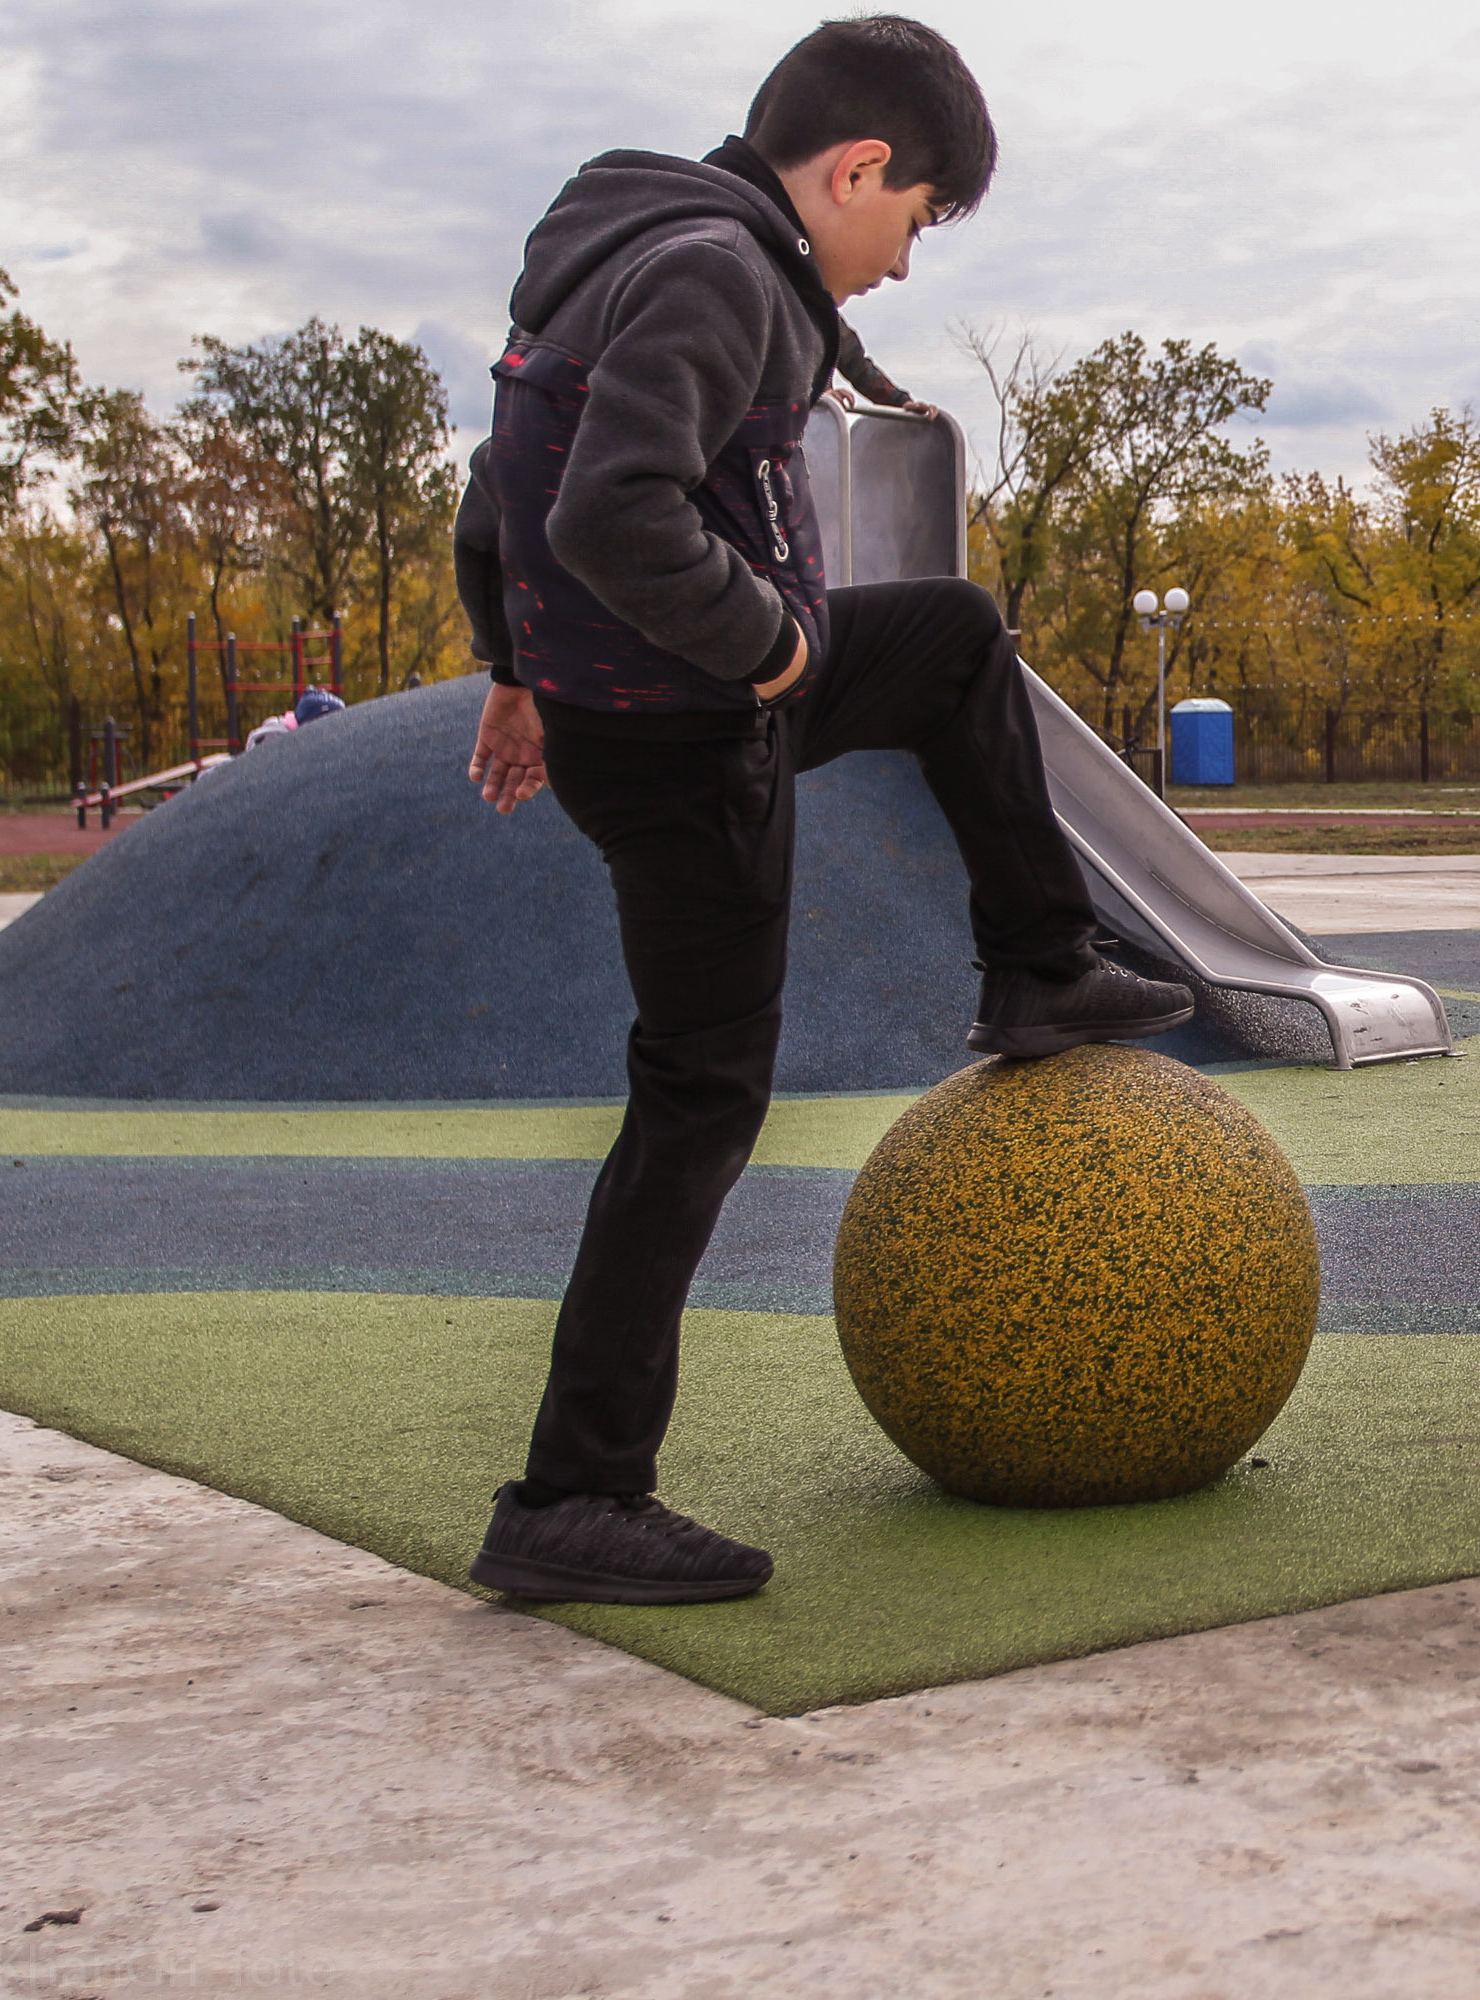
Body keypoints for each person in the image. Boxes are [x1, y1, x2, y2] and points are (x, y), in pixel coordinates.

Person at [452, 15, 1192, 1607]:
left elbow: (501, 465)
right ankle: (575, 1492)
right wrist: (775, 644)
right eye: (913, 220)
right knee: (699, 1095)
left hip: (643, 711)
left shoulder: (623, 236)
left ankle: (1039, 961)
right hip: (691, 729)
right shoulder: (722, 272)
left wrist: (506, 662)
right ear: (856, 171)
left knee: (947, 637)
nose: (904, 264)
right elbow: (603, 506)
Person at [830, 318, 934, 415]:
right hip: (817, 413)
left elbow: (859, 369)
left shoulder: (828, 317)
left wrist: (901, 403)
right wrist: (819, 394)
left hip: (822, 421)